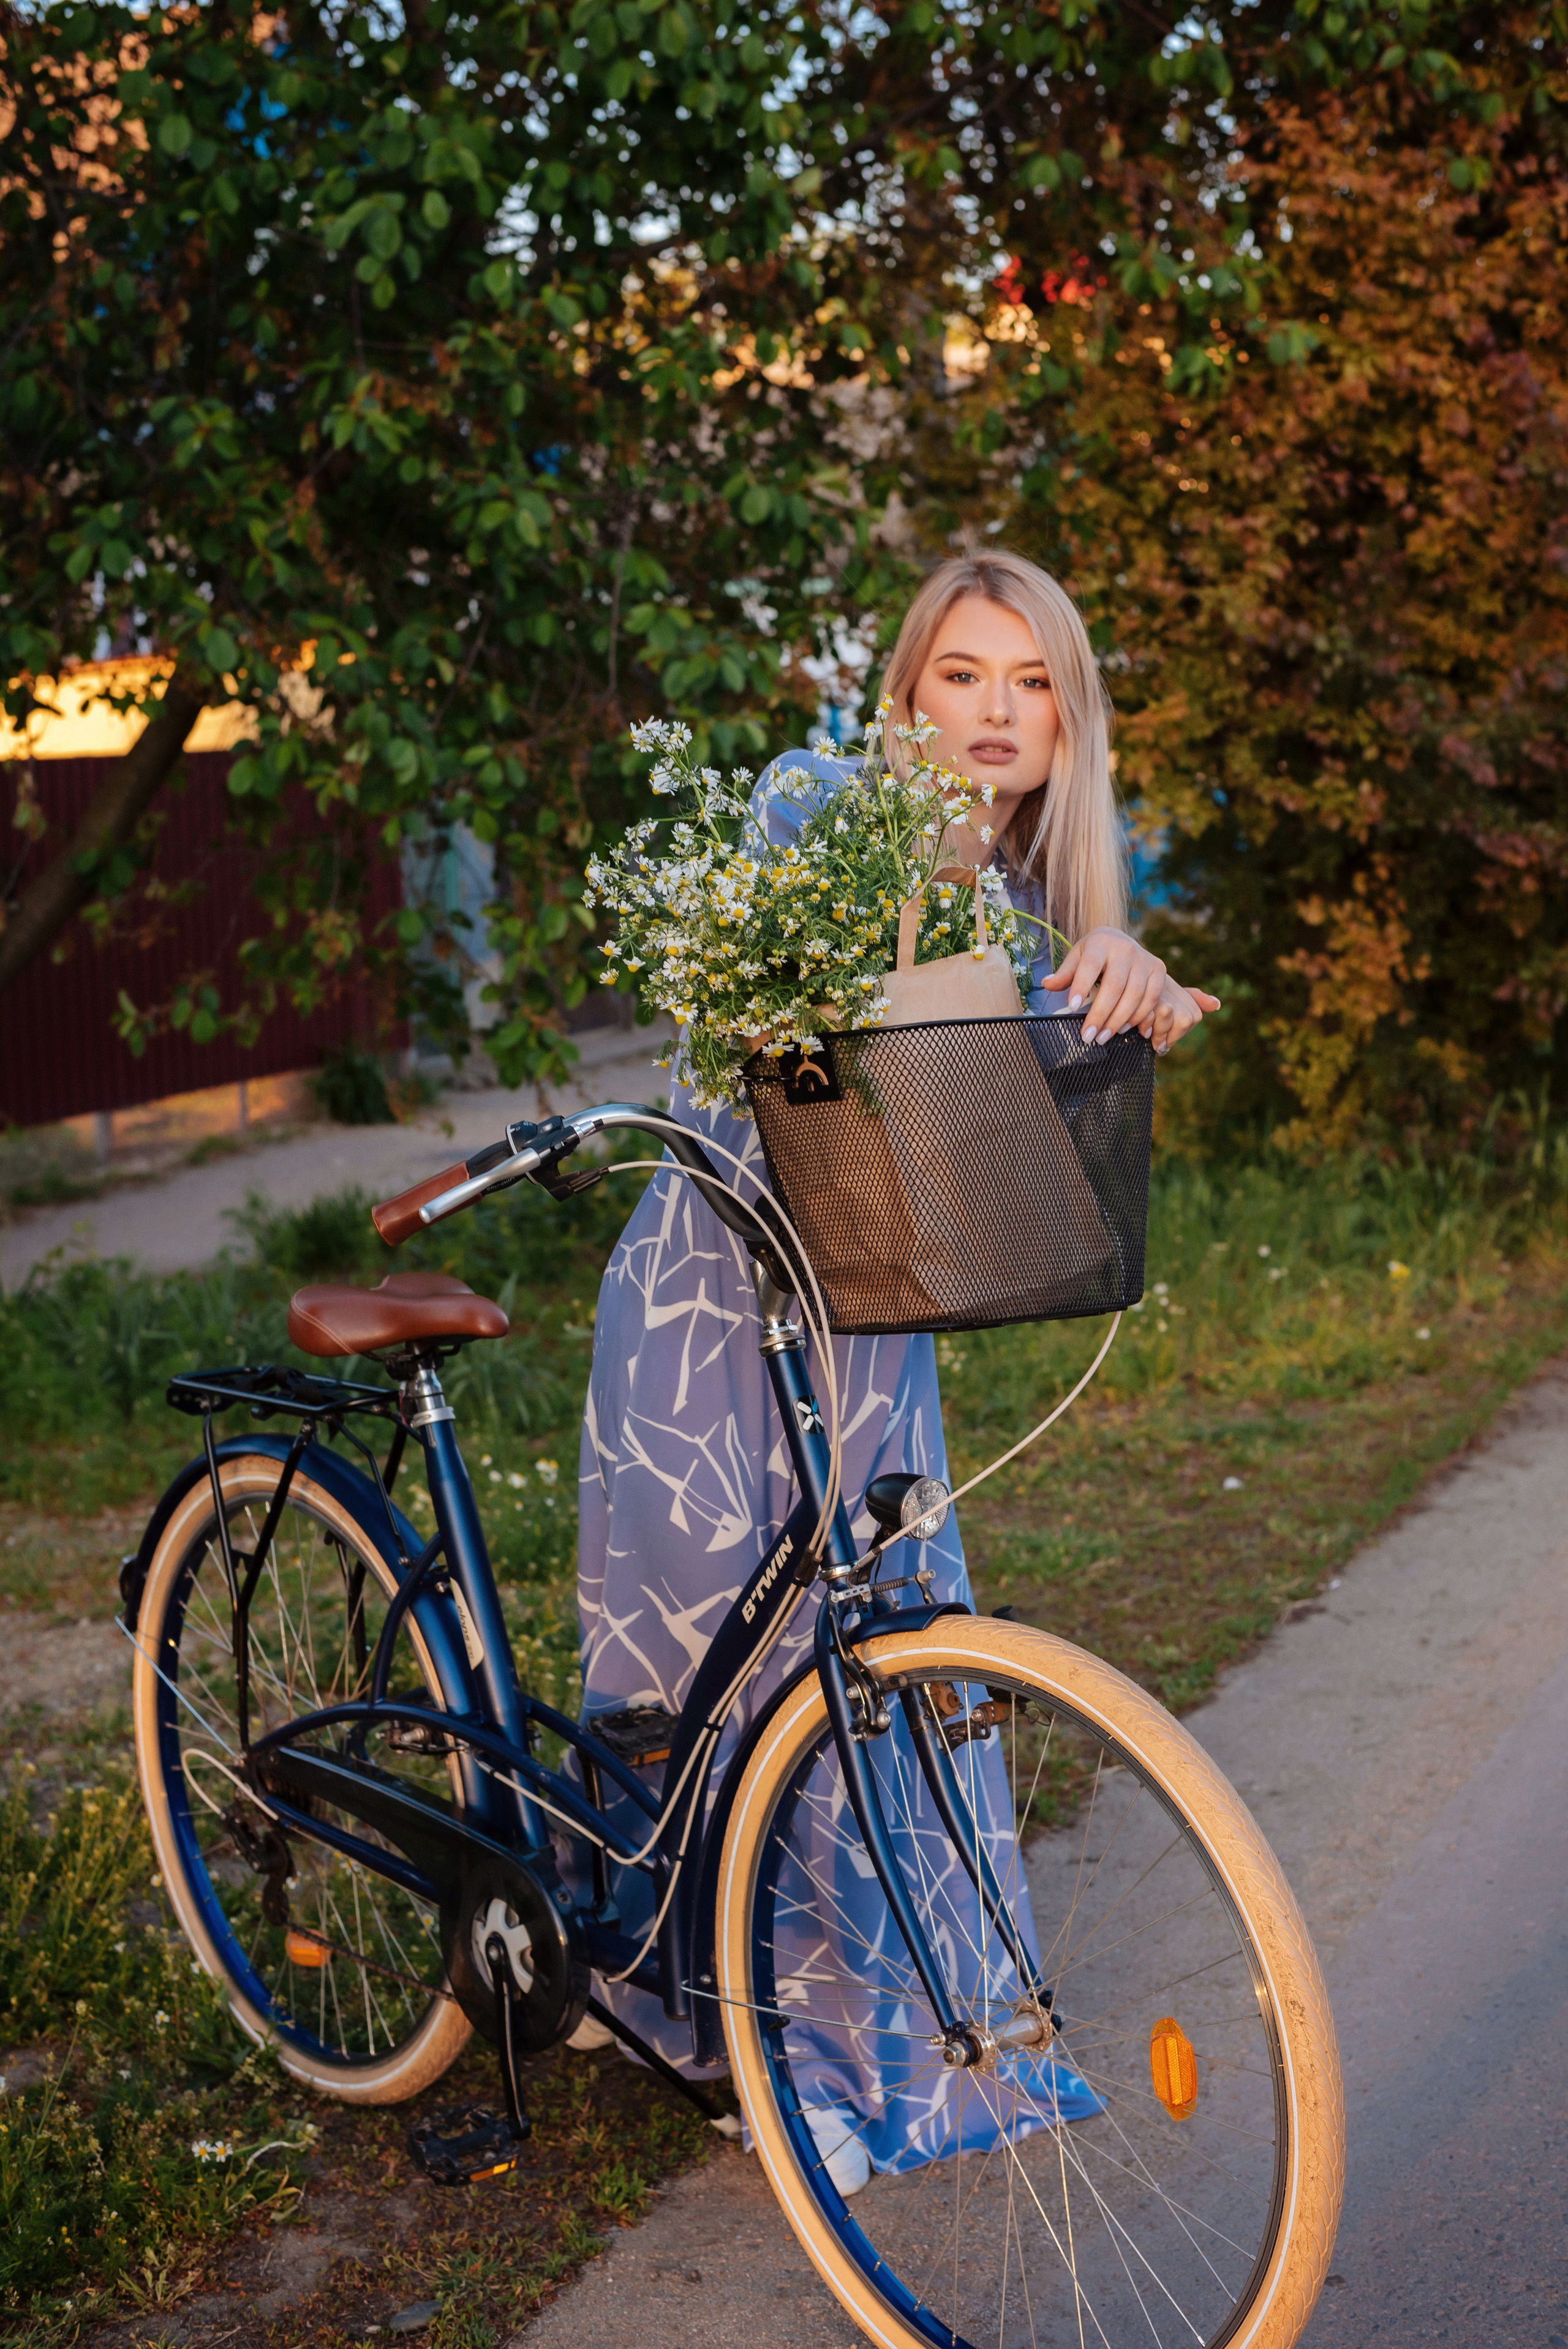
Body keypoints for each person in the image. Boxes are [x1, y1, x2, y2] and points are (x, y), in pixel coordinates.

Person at [568, 551, 1219, 2179]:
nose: (995, 714)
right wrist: (925, 973)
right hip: (714, 1297)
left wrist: (1129, 982)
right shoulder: (808, 801)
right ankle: (726, 2029)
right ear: (908, 690)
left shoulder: (1038, 903)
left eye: (1031, 684)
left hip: (868, 1332)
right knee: (717, 1672)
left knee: (878, 1668)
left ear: (1067, 722)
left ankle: (886, 2047)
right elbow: (771, 1047)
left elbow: (1002, 1149)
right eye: (962, 678)